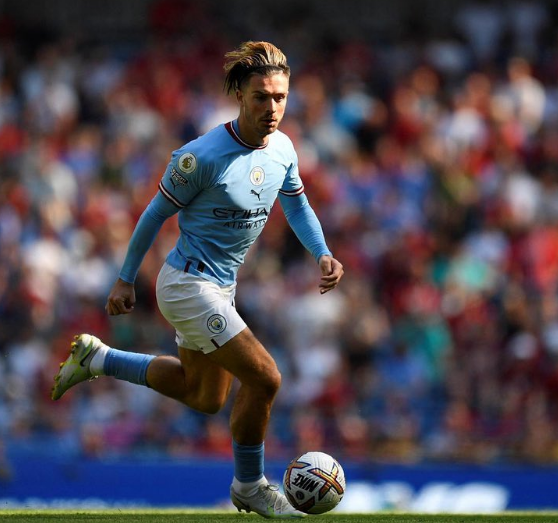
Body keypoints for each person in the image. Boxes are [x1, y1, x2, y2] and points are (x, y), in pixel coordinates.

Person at [52, 41, 344, 519]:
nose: (272, 108)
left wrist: (323, 252)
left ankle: (99, 358)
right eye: (261, 97)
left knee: (205, 396)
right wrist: (125, 279)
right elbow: (154, 213)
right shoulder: (201, 156)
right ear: (239, 96)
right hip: (187, 285)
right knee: (266, 378)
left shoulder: (284, 149)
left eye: (280, 97)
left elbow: (296, 204)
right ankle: (250, 486)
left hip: (221, 288)